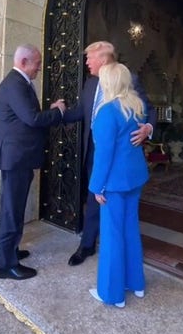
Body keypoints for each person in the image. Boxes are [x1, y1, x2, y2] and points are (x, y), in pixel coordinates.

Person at [61, 41, 154, 266]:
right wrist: (57, 113)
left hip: (121, 150)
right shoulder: (90, 83)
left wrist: (148, 128)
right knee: (95, 196)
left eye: (89, 58)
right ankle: (88, 244)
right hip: (94, 148)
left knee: (113, 200)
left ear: (102, 59)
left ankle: (115, 249)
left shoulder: (128, 77)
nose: (86, 63)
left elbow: (147, 109)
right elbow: (81, 112)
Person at [0, 44, 66, 280]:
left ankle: (7, 252)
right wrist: (59, 112)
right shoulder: (15, 83)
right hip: (15, 159)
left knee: (13, 208)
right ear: (24, 62)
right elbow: (32, 119)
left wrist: (50, 110)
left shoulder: (19, 82)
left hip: (18, 157)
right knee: (12, 211)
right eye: (37, 63)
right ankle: (6, 266)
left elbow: (25, 116)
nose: (39, 68)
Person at [88, 62, 150, 307]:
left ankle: (112, 294)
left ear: (108, 83)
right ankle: (136, 284)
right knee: (130, 230)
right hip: (135, 178)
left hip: (113, 182)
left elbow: (104, 154)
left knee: (112, 236)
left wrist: (96, 187)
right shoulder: (136, 106)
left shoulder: (107, 112)